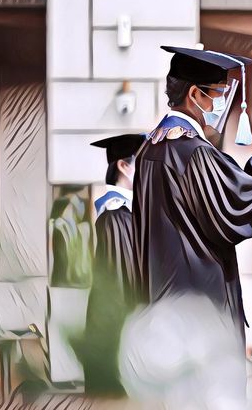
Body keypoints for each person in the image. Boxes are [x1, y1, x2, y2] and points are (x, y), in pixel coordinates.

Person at [124, 46, 252, 407]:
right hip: (198, 307)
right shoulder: (192, 152)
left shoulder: (149, 150)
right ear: (194, 95)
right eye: (219, 94)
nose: (224, 103)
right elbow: (242, 202)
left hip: (161, 304)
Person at [82, 133, 146, 396]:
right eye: (143, 163)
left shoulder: (125, 213)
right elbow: (121, 285)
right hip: (117, 332)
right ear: (123, 165)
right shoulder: (115, 216)